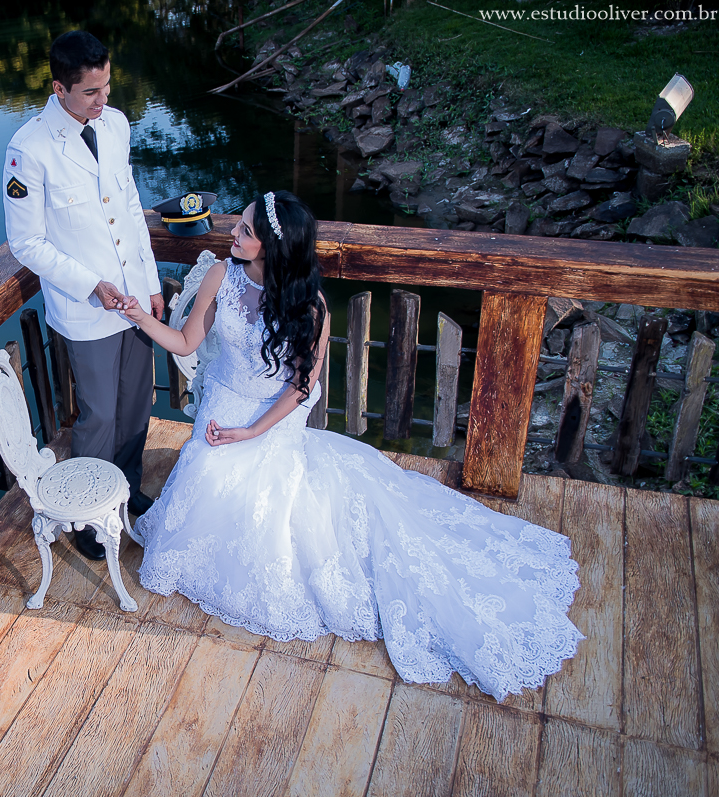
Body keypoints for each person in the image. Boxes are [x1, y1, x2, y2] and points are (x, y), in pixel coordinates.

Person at [117, 190, 584, 701]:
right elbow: (186, 343)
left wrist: (252, 433)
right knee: (201, 491)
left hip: (270, 420)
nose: (233, 233)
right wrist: (141, 316)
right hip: (221, 405)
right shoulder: (217, 277)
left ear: (274, 246)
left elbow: (299, 390)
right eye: (240, 226)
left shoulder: (311, 306)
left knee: (272, 517)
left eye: (246, 230)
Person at [3, 30, 162, 560]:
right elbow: (26, 241)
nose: (104, 100)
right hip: (87, 307)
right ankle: (90, 517)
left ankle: (127, 487)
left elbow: (132, 209)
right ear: (59, 87)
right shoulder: (28, 150)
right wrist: (90, 283)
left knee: (137, 403)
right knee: (99, 416)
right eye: (92, 92)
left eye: (108, 86)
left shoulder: (115, 125)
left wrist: (152, 285)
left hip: (135, 299)